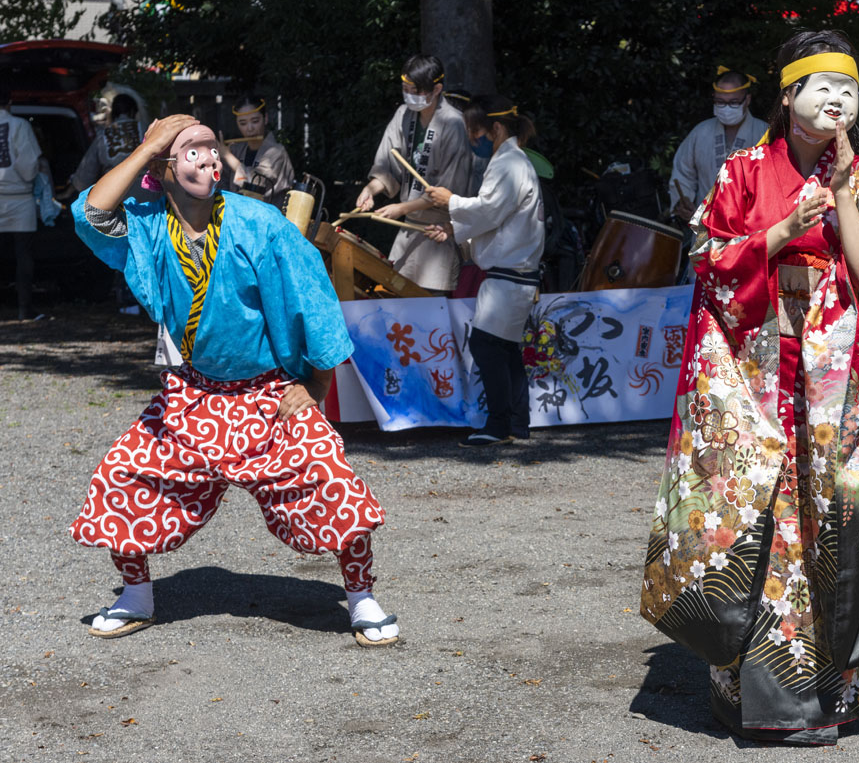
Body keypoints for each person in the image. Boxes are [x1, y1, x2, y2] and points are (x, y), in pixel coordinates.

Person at [639, 30, 859, 744]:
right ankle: (763, 697)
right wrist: (780, 231)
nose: (837, 101)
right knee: (763, 523)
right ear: (788, 95)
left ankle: (837, 694)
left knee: (834, 518)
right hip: (755, 371)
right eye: (821, 86)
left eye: (850, 89)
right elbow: (710, 264)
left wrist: (839, 197)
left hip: (836, 376)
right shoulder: (743, 170)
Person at [69, 114, 400, 648]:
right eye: (192, 151)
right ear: (164, 168)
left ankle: (361, 596)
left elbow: (312, 303)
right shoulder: (150, 220)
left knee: (331, 483)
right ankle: (137, 596)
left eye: (212, 149)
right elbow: (90, 212)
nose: (210, 159)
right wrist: (149, 144)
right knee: (123, 477)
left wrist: (314, 388)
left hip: (267, 393)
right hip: (191, 394)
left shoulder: (258, 223)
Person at [423, 95, 544, 447]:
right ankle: (515, 422)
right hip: (511, 274)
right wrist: (452, 228)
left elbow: (488, 210)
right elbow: (495, 219)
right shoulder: (509, 161)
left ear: (496, 128)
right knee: (503, 348)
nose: (474, 140)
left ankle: (499, 423)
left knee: (488, 345)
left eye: (476, 133)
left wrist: (452, 202)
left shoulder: (509, 163)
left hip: (511, 274)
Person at [357, 55, 472, 295]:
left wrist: (401, 209)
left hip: (438, 231)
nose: (409, 96)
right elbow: (388, 164)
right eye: (405, 89)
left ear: (437, 89)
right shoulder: (404, 115)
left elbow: (446, 192)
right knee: (397, 303)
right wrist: (371, 190)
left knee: (430, 313)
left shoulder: (454, 124)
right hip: (409, 231)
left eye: (416, 91)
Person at [668, 66, 768, 221]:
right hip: (704, 225)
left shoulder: (765, 134)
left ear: (747, 99)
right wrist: (684, 200)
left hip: (751, 227)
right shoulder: (700, 132)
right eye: (720, 102)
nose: (726, 108)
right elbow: (683, 172)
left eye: (734, 102)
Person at [0, 79, 44, 320]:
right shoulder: (19, 125)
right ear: (9, 101)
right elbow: (29, 166)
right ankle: (24, 308)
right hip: (19, 198)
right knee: (23, 254)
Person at [218, 94, 296, 208]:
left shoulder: (277, 152)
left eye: (255, 121)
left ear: (266, 119)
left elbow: (256, 184)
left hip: (269, 219)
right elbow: (221, 183)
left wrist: (227, 156)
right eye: (243, 123)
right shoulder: (236, 150)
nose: (249, 128)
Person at [64, 94, 144, 202]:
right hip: (148, 192)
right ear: (133, 111)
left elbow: (87, 171)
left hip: (116, 194)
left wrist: (71, 189)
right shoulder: (147, 128)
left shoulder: (103, 135)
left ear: (113, 113)